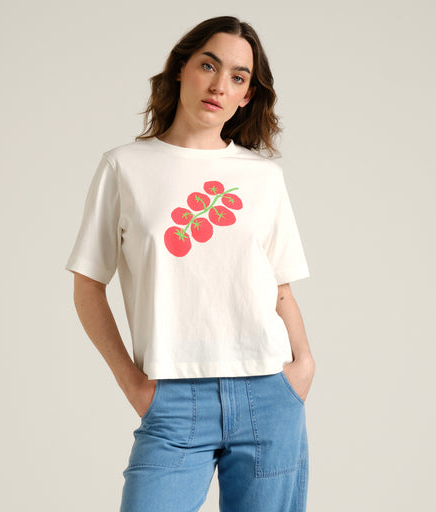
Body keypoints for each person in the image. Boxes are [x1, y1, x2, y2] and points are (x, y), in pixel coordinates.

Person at [65, 15, 315, 512]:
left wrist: (303, 365)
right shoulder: (124, 167)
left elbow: (280, 287)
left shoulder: (263, 178)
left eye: (238, 77)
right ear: (181, 69)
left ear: (247, 95)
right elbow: (88, 285)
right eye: (208, 65)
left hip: (268, 395)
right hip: (174, 400)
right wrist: (132, 382)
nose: (220, 85)